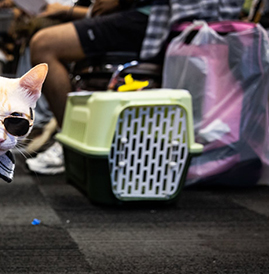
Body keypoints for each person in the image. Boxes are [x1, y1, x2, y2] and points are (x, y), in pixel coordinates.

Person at [26, 0, 244, 174]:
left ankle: (71, 144)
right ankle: (74, 138)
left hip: (163, 16)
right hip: (146, 12)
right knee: (43, 31)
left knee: (44, 45)